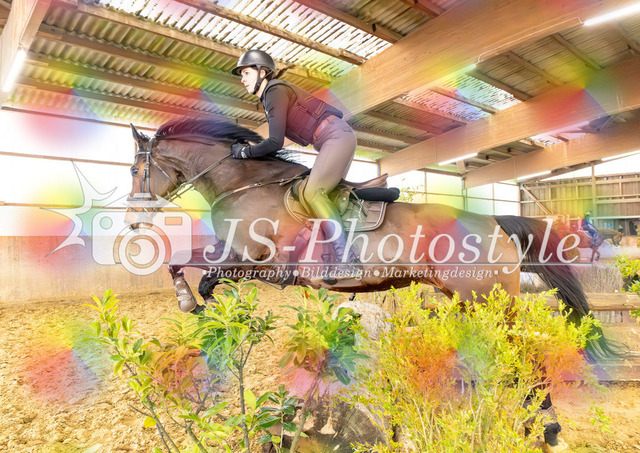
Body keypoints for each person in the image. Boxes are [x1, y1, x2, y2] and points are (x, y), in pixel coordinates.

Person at [229, 49, 361, 282]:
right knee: (325, 196)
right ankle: (333, 257)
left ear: (262, 72)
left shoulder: (274, 91)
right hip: (336, 137)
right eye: (241, 75)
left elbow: (275, 142)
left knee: (312, 193)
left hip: (335, 137)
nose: (242, 79)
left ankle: (347, 260)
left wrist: (244, 152)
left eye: (246, 73)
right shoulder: (271, 95)